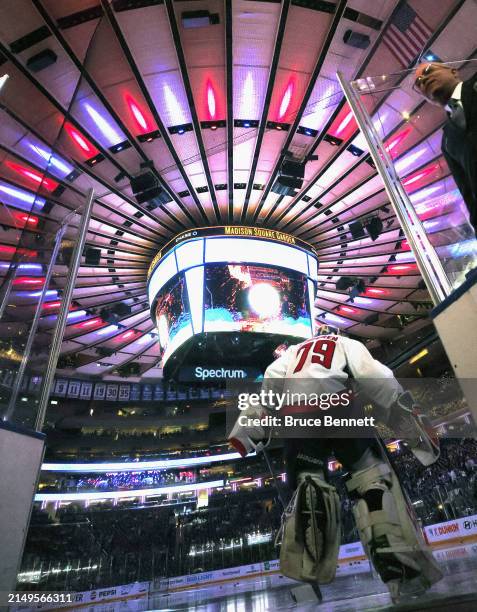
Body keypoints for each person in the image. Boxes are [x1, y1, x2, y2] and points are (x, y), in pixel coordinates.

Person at [228, 325, 442, 604]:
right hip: (339, 407)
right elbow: (377, 376)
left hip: (297, 418)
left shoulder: (291, 353)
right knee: (372, 482)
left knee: (308, 489)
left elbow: (268, 389)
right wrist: (402, 410)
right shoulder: (343, 343)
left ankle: (308, 566)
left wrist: (247, 431)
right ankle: (399, 570)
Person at [414, 62, 477, 231]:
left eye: (428, 71)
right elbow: (468, 192)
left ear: (453, 71)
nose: (423, 80)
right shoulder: (447, 142)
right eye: (418, 82)